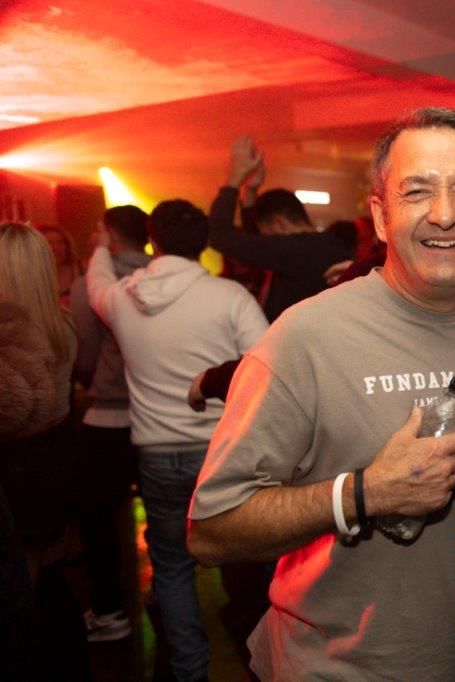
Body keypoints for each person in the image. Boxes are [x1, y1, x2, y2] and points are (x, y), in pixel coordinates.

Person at [187, 107, 455, 680]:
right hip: (330, 668)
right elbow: (211, 531)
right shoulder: (306, 334)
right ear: (381, 217)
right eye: (417, 192)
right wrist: (363, 493)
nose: (445, 213)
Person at [86, 200, 268, 681]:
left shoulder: (122, 297)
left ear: (153, 241)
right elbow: (269, 365)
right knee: (247, 562)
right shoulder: (229, 297)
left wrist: (102, 246)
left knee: (171, 567)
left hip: (158, 455)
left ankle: (189, 672)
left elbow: (96, 285)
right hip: (224, 450)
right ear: (205, 243)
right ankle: (263, 663)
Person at [0, 222, 86, 679]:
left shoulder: (9, 338)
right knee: (40, 575)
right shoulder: (64, 325)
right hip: (54, 457)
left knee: (19, 591)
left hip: (16, 465)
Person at [68, 205, 151, 642]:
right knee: (165, 517)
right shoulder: (161, 276)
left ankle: (109, 610)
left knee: (98, 519)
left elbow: (83, 352)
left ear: (110, 237)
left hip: (107, 417)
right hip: (158, 416)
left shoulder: (91, 284)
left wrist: (91, 380)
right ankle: (170, 601)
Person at [209, 136, 351, 322]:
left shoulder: (297, 250)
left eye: (266, 234)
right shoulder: (321, 245)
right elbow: (252, 238)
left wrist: (234, 178)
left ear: (278, 224)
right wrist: (250, 191)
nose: (266, 241)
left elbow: (220, 235)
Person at [39, 224, 83, 307]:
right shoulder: (33, 276)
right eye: (49, 242)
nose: (56, 247)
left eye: (60, 242)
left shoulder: (81, 268)